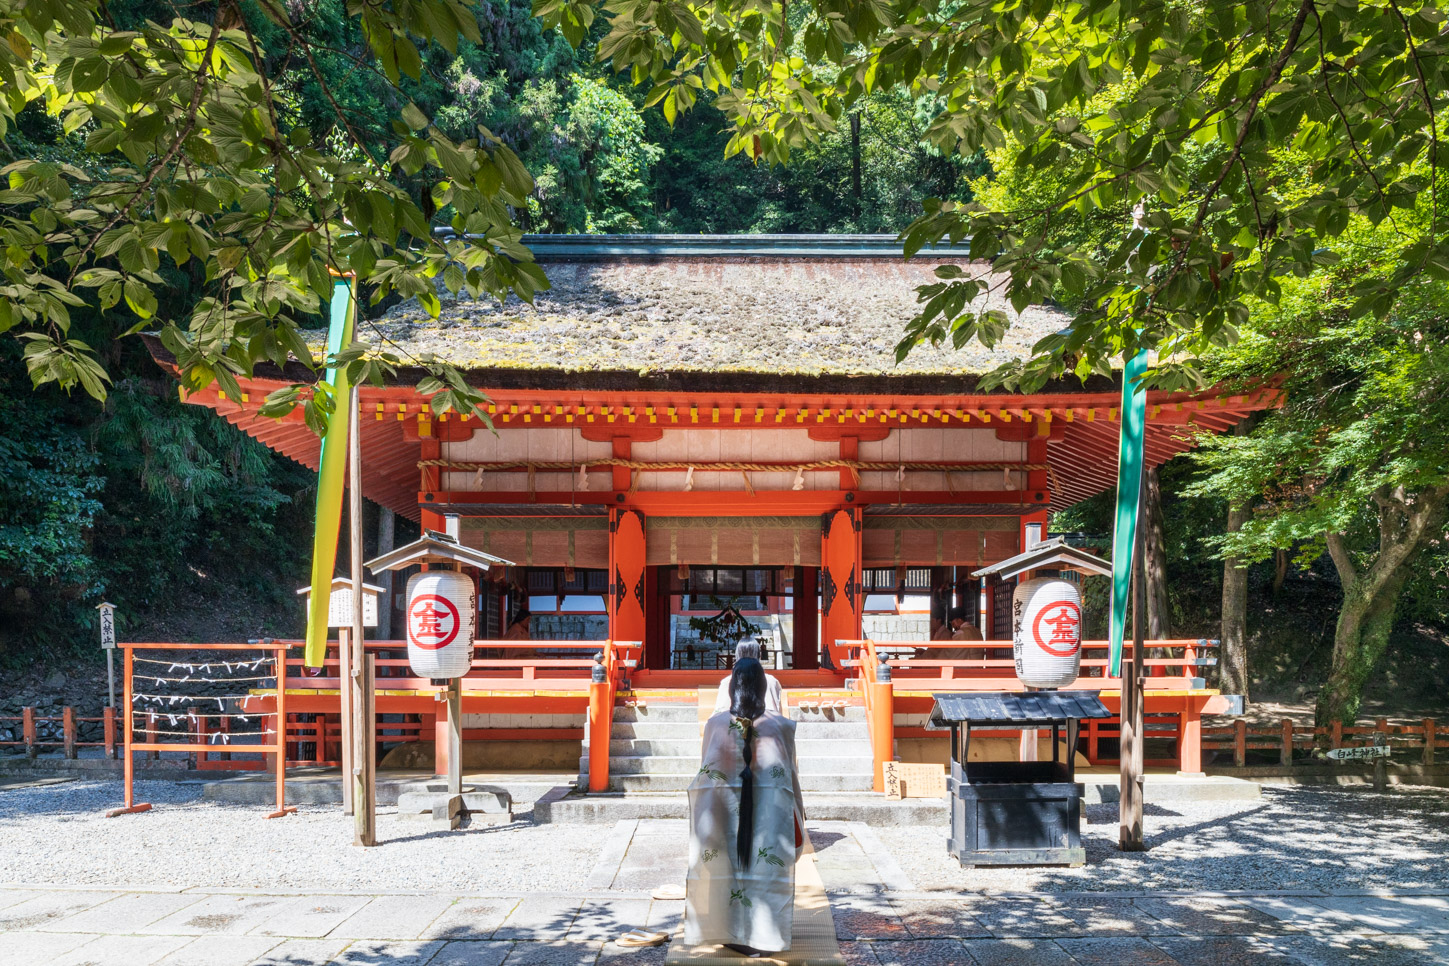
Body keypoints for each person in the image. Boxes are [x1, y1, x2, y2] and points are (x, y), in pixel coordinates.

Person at [686, 659, 805, 957]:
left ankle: (725, 930)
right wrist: (799, 816)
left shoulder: (715, 725)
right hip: (771, 815)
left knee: (725, 870)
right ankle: (766, 935)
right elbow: (790, 778)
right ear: (764, 688)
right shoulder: (781, 726)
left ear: (732, 688)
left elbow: (707, 773)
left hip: (722, 809)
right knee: (765, 869)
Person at [711, 641, 783, 715]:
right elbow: (777, 713)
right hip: (767, 724)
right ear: (758, 655)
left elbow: (719, 712)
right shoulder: (771, 681)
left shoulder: (727, 681)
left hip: (732, 724)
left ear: (737, 655)